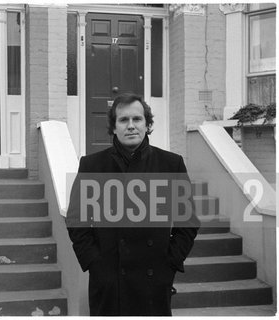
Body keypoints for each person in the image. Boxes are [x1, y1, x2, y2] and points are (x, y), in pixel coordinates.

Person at [66, 93, 200, 316]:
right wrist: (95, 265)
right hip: (109, 283)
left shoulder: (170, 164)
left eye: (137, 119)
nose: (131, 126)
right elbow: (75, 220)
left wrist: (169, 265)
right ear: (113, 127)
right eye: (123, 120)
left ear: (147, 125)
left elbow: (188, 222)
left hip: (154, 281)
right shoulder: (92, 165)